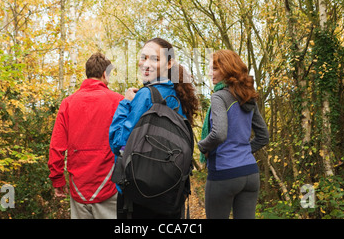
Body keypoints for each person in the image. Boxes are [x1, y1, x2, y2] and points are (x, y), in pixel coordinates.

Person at [109, 37, 199, 219]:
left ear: (169, 63)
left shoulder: (145, 95)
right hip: (172, 194)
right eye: (143, 57)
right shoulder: (179, 95)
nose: (146, 64)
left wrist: (125, 103)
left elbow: (118, 143)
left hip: (140, 197)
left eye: (155, 59)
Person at [48, 52, 124, 219]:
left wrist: (57, 179)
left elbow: (56, 146)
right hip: (109, 185)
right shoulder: (118, 101)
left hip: (78, 187)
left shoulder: (68, 103)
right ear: (105, 74)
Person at [198, 49, 269, 219]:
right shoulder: (248, 96)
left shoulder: (219, 97)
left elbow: (219, 134)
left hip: (224, 173)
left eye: (214, 69)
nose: (210, 73)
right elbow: (263, 136)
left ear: (227, 69)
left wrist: (202, 146)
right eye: (209, 69)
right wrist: (243, 151)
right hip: (250, 173)